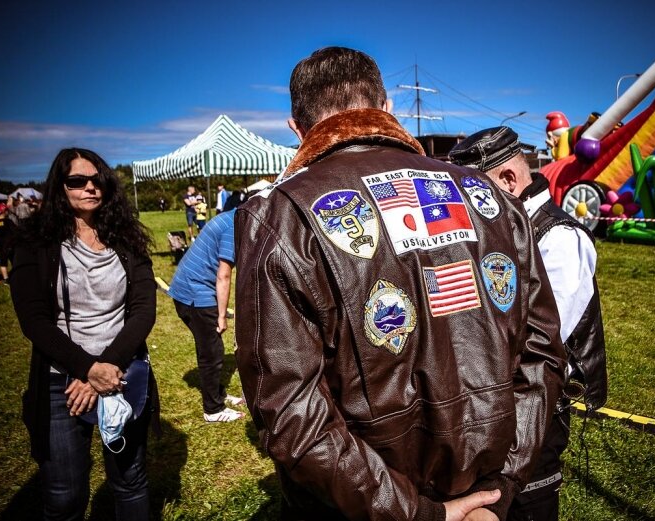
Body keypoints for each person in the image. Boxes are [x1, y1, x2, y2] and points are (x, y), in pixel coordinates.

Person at [234, 47, 565, 520]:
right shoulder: (490, 195)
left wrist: (415, 513)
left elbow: (289, 413)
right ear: (386, 108)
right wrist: (500, 487)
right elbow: (543, 353)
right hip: (484, 496)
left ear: (295, 128)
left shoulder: (279, 217)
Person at [450, 126, 607, 521]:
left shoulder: (561, 239)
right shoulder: (501, 227)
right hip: (496, 400)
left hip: (540, 406)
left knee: (528, 506)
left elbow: (539, 340)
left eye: (473, 192)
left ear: (507, 180)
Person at [10, 147, 158, 520]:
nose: (90, 187)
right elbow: (34, 320)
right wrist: (86, 369)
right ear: (60, 187)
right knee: (64, 495)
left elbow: (143, 311)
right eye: (77, 181)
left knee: (130, 482)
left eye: (97, 180)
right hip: (62, 381)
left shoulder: (127, 239)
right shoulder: (36, 244)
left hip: (121, 374)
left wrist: (106, 368)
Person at [168, 208, 245, 423]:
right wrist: (221, 316)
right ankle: (213, 409)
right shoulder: (233, 226)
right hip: (195, 294)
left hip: (186, 290)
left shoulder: (230, 216)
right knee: (212, 352)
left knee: (208, 348)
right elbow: (224, 275)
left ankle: (217, 393)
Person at [0, 202, 16, 282]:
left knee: (3, 263)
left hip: (0, 246)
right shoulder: (8, 221)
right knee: (14, 261)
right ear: (4, 211)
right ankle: (16, 275)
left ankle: (6, 279)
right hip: (9, 245)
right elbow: (15, 232)